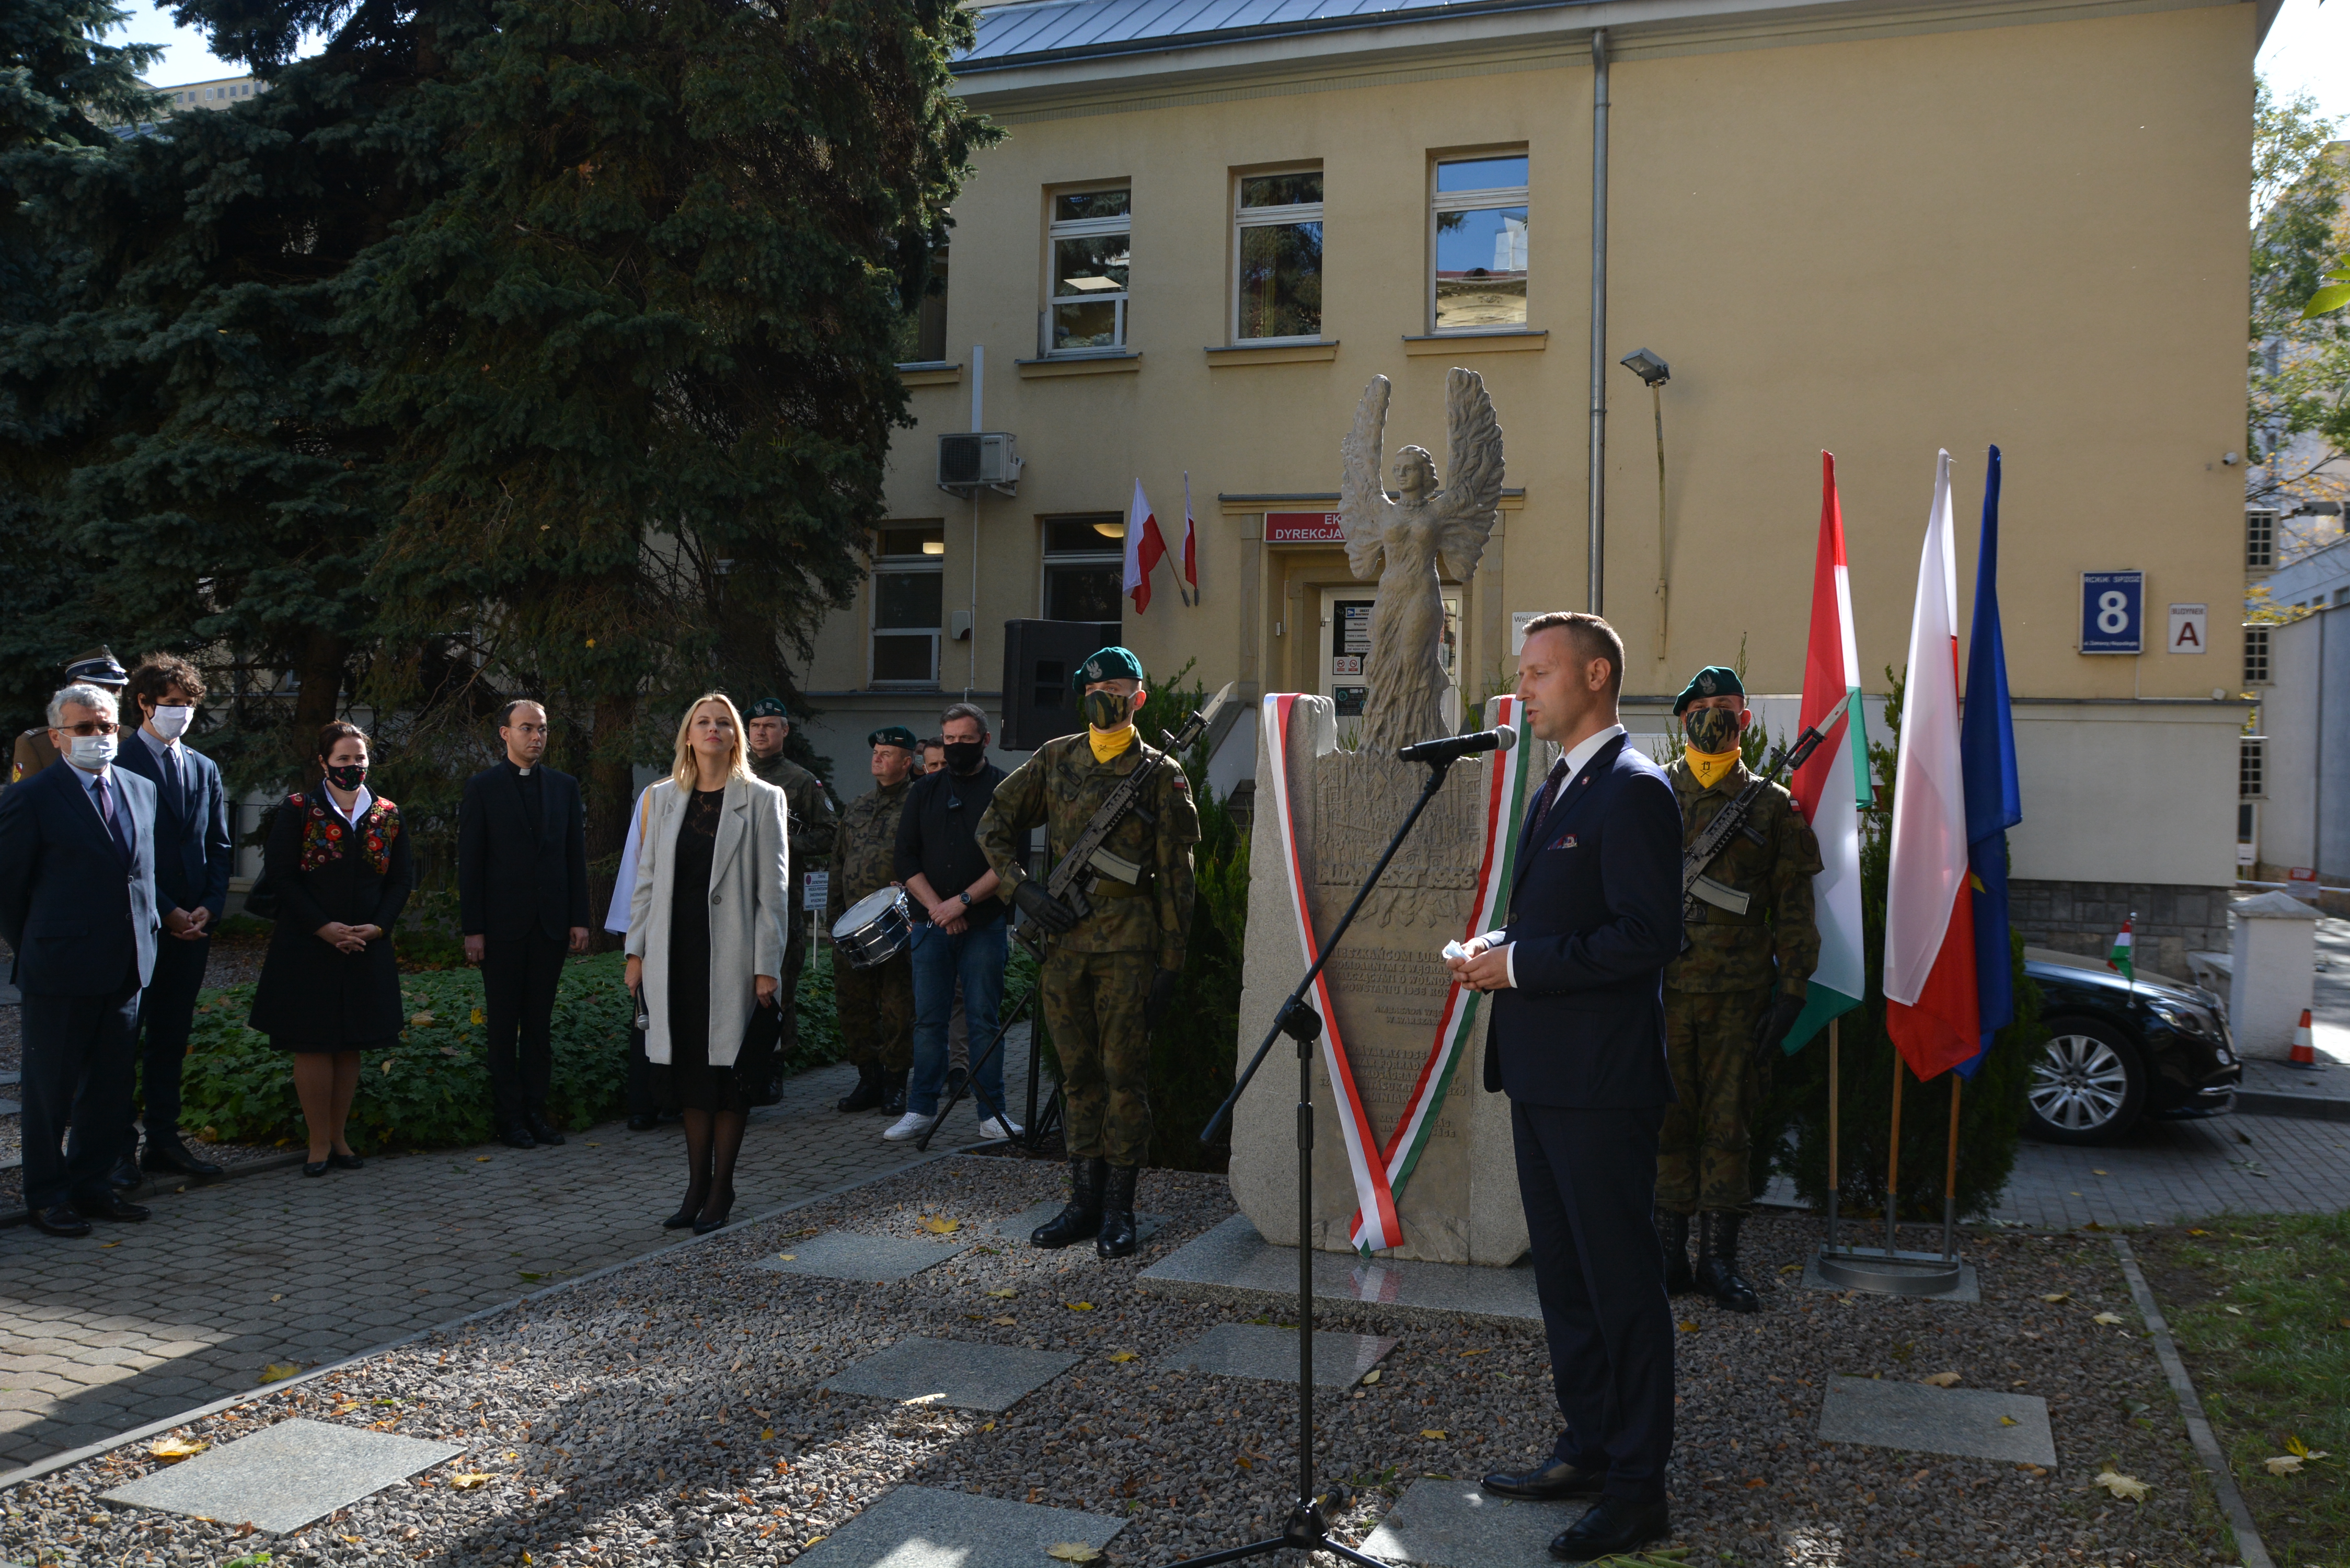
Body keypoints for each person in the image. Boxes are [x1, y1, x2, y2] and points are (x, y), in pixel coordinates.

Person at [1448, 612, 1680, 1562]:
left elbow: (1646, 936)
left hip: (1600, 1083)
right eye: (1523, 672)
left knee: (1620, 1285)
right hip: (1545, 1076)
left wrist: (1526, 967)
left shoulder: (1632, 790)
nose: (1524, 687)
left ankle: (1638, 1487)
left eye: (1539, 672)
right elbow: (1566, 916)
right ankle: (1588, 1447)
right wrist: (1504, 947)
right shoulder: (1560, 786)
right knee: (1568, 1283)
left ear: (1595, 676)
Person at [976, 647, 1199, 1260]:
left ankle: (1119, 1209)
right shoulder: (1055, 758)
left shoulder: (1159, 773)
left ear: (1140, 698)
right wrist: (1022, 890)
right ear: (1084, 694)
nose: (1113, 696)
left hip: (1128, 949)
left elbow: (1178, 876)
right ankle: (1082, 1202)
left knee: (1123, 1078)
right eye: (1102, 686)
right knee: (1077, 1078)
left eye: (1124, 687)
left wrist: (1171, 964)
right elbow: (993, 823)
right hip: (1064, 944)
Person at [1660, 666, 1821, 1313]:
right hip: (1665, 994)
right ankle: (1668, 1257)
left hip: (1739, 1001)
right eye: (1701, 707)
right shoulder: (1650, 795)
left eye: (1725, 706)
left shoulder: (1772, 806)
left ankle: (1717, 1263)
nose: (1713, 716)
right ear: (1683, 721)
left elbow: (1793, 907)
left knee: (1729, 1129)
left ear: (1744, 722)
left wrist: (1792, 992)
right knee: (1666, 1124)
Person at [0, 682, 161, 1236]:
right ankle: (47, 1196)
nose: (98, 737)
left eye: (107, 726)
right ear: (57, 736)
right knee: (51, 1091)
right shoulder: (30, 797)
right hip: (59, 969)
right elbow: (9, 892)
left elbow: (140, 875)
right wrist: (40, 949)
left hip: (124, 966)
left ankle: (93, 1185)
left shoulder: (141, 789)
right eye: (85, 728)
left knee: (111, 1088)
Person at [624, 694, 789, 1233]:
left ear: (736, 735)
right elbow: (645, 883)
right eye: (703, 721)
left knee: (729, 1077)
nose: (713, 729)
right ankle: (695, 1184)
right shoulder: (662, 798)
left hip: (736, 958)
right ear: (688, 734)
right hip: (674, 956)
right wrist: (635, 952)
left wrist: (767, 965)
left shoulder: (763, 799)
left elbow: (775, 892)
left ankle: (723, 1188)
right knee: (692, 1073)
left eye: (724, 722)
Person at [246, 721, 413, 1177]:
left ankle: (340, 1137)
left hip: (365, 946)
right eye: (343, 760)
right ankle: (318, 1142)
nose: (352, 767)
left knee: (352, 1043)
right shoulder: (299, 809)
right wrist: (322, 927)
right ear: (323, 763)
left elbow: (401, 880)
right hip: (308, 945)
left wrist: (379, 928)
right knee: (314, 1044)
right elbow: (281, 877)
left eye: (359, 759)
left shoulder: (387, 812)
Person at [110, 654, 234, 1184]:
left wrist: (210, 904)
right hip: (140, 925)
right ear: (143, 702)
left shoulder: (203, 768)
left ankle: (164, 1141)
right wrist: (167, 909)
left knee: (170, 1037)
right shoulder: (116, 761)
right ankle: (117, 1150)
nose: (182, 714)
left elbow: (218, 844)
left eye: (188, 705)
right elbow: (121, 851)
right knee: (123, 1040)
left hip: (193, 928)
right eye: (172, 705)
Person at [458, 699, 592, 1149]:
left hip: (550, 926)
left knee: (538, 1024)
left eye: (543, 729)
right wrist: (472, 928)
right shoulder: (482, 788)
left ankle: (537, 1112)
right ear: (505, 734)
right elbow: (470, 863)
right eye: (527, 729)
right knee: (502, 1025)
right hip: (500, 929)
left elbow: (575, 857)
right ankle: (509, 1119)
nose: (537, 737)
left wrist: (580, 919)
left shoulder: (564, 786)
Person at [892, 702, 1021, 1143]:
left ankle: (992, 1114)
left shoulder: (1005, 789)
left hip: (983, 924)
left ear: (985, 740)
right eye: (949, 741)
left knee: (984, 1020)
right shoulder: (924, 791)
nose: (957, 748)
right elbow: (905, 857)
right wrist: (938, 909)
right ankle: (920, 1110)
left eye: (966, 740)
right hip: (930, 925)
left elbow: (1009, 861)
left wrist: (962, 904)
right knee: (929, 1021)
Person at [744, 698, 837, 1103]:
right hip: (734, 901)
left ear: (785, 732)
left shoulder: (801, 781)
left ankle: (774, 1068)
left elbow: (831, 834)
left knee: (779, 985)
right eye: (755, 726)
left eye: (770, 726)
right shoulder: (733, 774)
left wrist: (784, 844)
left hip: (782, 900)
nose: (761, 733)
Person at [826, 727, 918, 1116]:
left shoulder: (919, 802)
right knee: (854, 1006)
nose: (877, 758)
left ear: (907, 762)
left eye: (887, 753)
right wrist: (833, 919)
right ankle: (869, 1078)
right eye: (876, 751)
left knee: (898, 1006)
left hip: (898, 925)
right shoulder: (859, 806)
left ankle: (896, 1083)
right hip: (853, 928)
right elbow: (838, 862)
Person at [10, 649, 127, 788]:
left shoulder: (130, 737)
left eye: (114, 690)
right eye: (97, 688)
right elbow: (25, 797)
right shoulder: (37, 743)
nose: (105, 696)